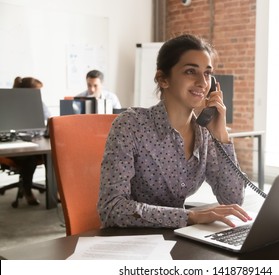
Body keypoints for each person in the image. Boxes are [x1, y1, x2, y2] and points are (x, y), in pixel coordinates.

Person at [98, 34, 251, 228]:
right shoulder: (130, 125)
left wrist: (221, 136)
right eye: (190, 72)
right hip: (130, 242)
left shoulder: (204, 134)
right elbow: (111, 208)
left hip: (177, 239)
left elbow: (232, 198)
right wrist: (190, 217)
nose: (203, 83)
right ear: (163, 79)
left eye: (207, 73)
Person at [11, 76, 50, 205]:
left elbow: (49, 120)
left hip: (37, 143)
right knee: (30, 159)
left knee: (52, 157)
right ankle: (27, 191)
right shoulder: (11, 105)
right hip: (17, 146)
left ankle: (54, 191)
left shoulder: (39, 103)